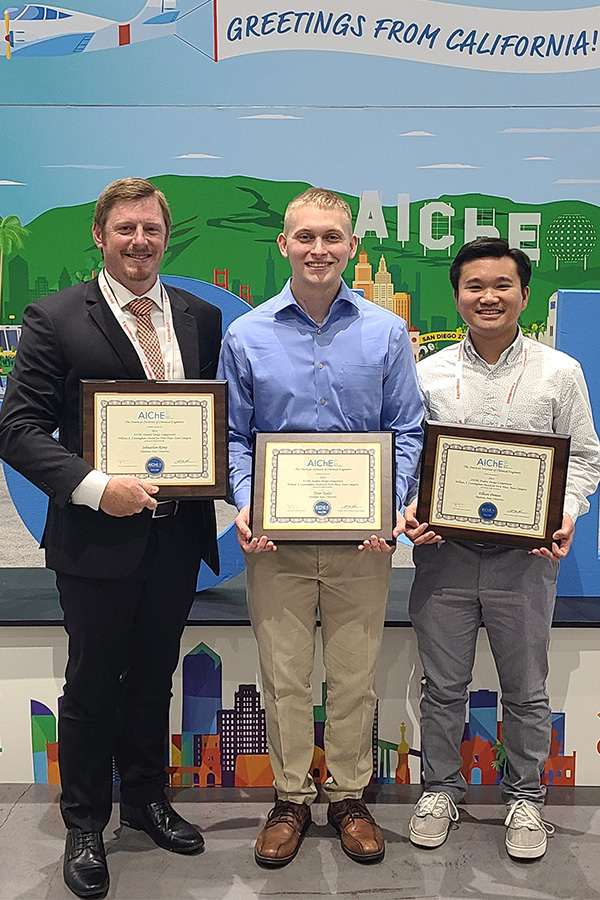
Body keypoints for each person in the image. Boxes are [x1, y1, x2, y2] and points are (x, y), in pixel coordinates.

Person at [0, 178, 222, 898]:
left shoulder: (201, 316)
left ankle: (148, 803)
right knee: (93, 683)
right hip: (95, 540)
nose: (139, 242)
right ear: (100, 235)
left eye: (151, 229)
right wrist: (100, 487)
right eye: (124, 228)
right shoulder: (55, 316)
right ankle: (86, 823)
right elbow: (17, 429)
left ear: (167, 236)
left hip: (178, 537)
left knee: (155, 677)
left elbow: (211, 426)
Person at [217, 188, 423, 867]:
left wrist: (390, 509)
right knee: (284, 679)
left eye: (332, 237)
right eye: (305, 236)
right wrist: (245, 503)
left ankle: (349, 796)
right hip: (275, 544)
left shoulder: (386, 333)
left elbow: (406, 431)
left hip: (363, 545)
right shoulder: (246, 335)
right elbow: (235, 437)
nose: (318, 249)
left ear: (351, 248)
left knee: (354, 676)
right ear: (284, 244)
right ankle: (289, 799)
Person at [405, 237, 600, 860]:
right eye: (474, 287)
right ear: (458, 295)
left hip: (526, 562)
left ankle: (526, 799)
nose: (488, 297)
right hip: (446, 555)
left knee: (526, 690)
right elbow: (409, 458)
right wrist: (409, 507)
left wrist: (566, 514)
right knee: (443, 688)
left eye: (502, 286)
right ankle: (440, 792)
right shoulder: (426, 373)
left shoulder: (558, 372)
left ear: (524, 294)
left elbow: (585, 459)